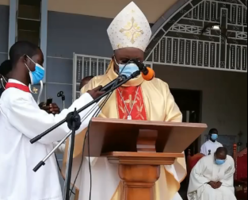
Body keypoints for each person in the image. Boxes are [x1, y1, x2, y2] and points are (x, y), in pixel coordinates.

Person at [68, 2, 186, 200]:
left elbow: (174, 126)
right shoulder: (96, 86)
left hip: (149, 173)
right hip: (105, 172)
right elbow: (82, 129)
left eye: (137, 61)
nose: (131, 65)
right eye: (124, 60)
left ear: (144, 58)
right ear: (113, 58)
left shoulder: (159, 88)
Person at [0, 41, 104, 200]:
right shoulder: (14, 98)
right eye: (39, 62)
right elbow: (49, 129)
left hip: (32, 185)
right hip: (23, 188)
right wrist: (87, 100)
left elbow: (44, 138)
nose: (42, 69)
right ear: (25, 60)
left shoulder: (23, 97)